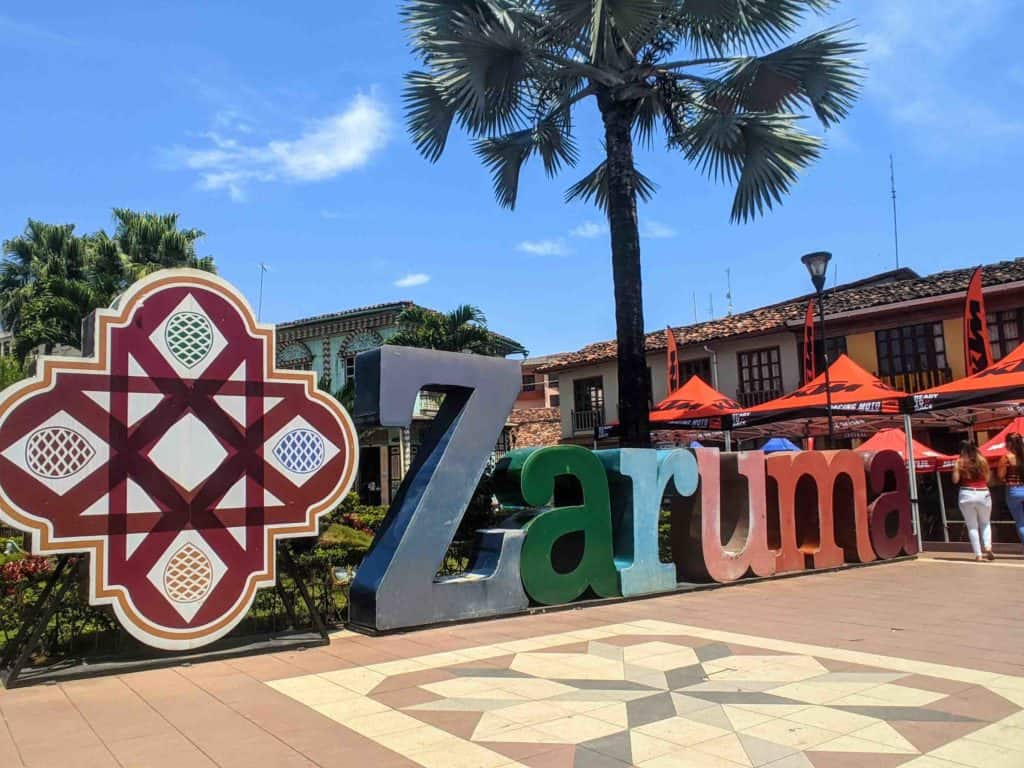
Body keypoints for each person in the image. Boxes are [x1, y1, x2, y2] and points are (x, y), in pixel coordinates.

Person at [952, 440, 993, 561]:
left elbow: (955, 480)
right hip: (983, 493)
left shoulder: (960, 462)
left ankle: (978, 555)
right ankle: (988, 546)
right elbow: (988, 478)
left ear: (963, 451)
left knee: (972, 526)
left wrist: (956, 468)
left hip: (966, 494)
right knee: (985, 522)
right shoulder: (983, 461)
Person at [997, 431, 1024, 552]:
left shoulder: (1006, 458)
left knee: (1021, 521)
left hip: (1013, 491)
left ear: (1009, 443)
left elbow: (1000, 476)